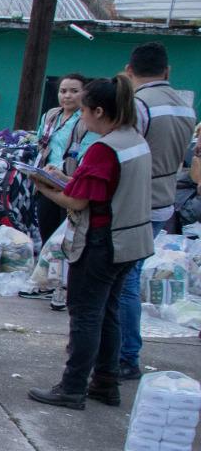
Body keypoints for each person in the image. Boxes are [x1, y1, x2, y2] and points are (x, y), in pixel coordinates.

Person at [27, 76, 155, 409]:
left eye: (83, 110)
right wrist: (65, 179)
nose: (80, 117)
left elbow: (79, 203)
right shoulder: (134, 140)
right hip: (132, 240)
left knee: (85, 315)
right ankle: (105, 382)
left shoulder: (103, 148)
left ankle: (72, 387)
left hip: (102, 242)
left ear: (98, 111)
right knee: (108, 312)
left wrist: (45, 187)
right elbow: (95, 189)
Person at [115, 41, 193, 380]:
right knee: (128, 275)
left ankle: (125, 354)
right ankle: (122, 351)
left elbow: (128, 154)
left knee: (124, 281)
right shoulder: (185, 107)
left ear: (130, 71)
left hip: (136, 201)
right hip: (165, 200)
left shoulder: (140, 105)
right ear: (168, 70)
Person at [23, 74, 95, 306]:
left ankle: (65, 288)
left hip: (70, 182)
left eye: (74, 91)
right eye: (63, 91)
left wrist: (64, 173)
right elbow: (41, 143)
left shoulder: (86, 120)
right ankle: (47, 281)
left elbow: (86, 152)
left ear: (84, 94)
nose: (67, 95)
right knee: (47, 231)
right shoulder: (51, 116)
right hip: (45, 180)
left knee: (67, 238)